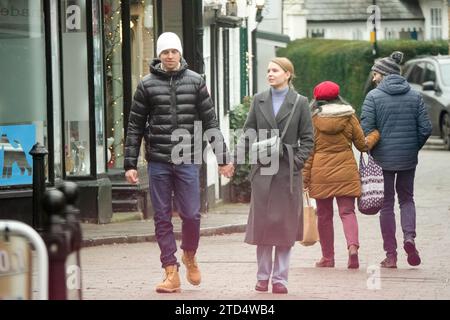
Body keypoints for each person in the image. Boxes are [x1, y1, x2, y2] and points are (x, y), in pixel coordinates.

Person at [124, 32, 234, 293]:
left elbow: (210, 123)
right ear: (159, 56)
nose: (170, 56)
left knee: (192, 214)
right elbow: (134, 126)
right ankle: (170, 271)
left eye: (174, 51)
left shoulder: (196, 82)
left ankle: (190, 255)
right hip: (159, 160)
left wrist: (223, 159)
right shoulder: (146, 85)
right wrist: (130, 163)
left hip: (187, 158)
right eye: (165, 52)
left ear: (180, 53)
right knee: (162, 216)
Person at [234, 57, 314, 294]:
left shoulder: (300, 102)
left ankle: (280, 279)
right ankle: (262, 277)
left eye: (275, 70)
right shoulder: (259, 100)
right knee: (263, 226)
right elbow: (248, 132)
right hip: (263, 171)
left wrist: (296, 162)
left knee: (284, 227)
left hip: (287, 173)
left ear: (288, 74)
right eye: (268, 70)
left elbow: (308, 139)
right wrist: (236, 160)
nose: (270, 74)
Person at [361, 51, 432, 268]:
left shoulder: (373, 97)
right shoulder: (415, 95)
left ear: (383, 74)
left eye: (375, 74)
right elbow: (426, 128)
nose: (373, 78)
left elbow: (367, 128)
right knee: (407, 199)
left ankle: (391, 255)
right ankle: (409, 238)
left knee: (387, 205)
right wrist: (413, 147)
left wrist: (374, 149)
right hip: (408, 158)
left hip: (382, 159)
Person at [302, 81, 380, 269]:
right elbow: (362, 145)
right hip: (346, 169)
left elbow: (309, 152)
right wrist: (375, 135)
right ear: (338, 96)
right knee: (347, 212)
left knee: (324, 215)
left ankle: (328, 258)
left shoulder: (312, 119)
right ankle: (352, 248)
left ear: (317, 99)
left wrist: (304, 178)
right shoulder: (349, 115)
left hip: (321, 173)